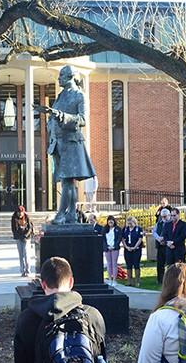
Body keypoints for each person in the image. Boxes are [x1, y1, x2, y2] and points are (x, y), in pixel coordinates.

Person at [40, 65, 97, 224]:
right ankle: (71, 215)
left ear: (70, 76)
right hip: (58, 144)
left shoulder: (79, 95)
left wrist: (60, 115)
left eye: (61, 76)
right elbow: (54, 119)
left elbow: (83, 119)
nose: (59, 79)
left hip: (72, 142)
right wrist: (50, 119)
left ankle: (61, 214)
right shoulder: (60, 96)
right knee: (67, 182)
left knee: (67, 180)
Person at [12, 206, 34, 277]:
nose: (20, 214)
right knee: (21, 254)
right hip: (18, 238)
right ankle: (22, 270)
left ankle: (28, 270)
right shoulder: (14, 218)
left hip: (26, 238)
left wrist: (25, 236)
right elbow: (14, 229)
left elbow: (30, 228)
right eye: (19, 213)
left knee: (26, 253)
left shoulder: (27, 217)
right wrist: (20, 237)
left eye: (21, 213)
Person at [122, 216, 144, 287]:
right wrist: (126, 247)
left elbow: (140, 239)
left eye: (131, 223)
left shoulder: (138, 229)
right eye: (128, 223)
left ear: (134, 222)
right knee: (129, 265)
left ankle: (137, 281)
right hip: (127, 249)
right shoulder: (125, 229)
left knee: (136, 264)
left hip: (136, 249)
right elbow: (123, 239)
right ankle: (129, 281)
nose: (129, 225)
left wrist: (134, 247)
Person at [153, 208, 172, 284]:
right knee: (160, 264)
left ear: (169, 215)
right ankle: (160, 279)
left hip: (168, 246)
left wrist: (164, 239)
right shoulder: (159, 223)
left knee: (169, 263)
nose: (164, 218)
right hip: (160, 246)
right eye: (163, 216)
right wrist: (158, 238)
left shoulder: (171, 223)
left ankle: (169, 279)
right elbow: (154, 232)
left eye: (165, 216)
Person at [102, 215, 122, 284]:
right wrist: (106, 246)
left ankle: (114, 280)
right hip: (107, 248)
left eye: (112, 220)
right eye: (109, 220)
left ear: (114, 221)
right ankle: (110, 279)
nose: (110, 221)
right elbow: (103, 239)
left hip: (115, 248)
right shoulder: (104, 229)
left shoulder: (117, 229)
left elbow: (119, 238)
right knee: (109, 263)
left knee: (114, 263)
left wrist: (115, 246)